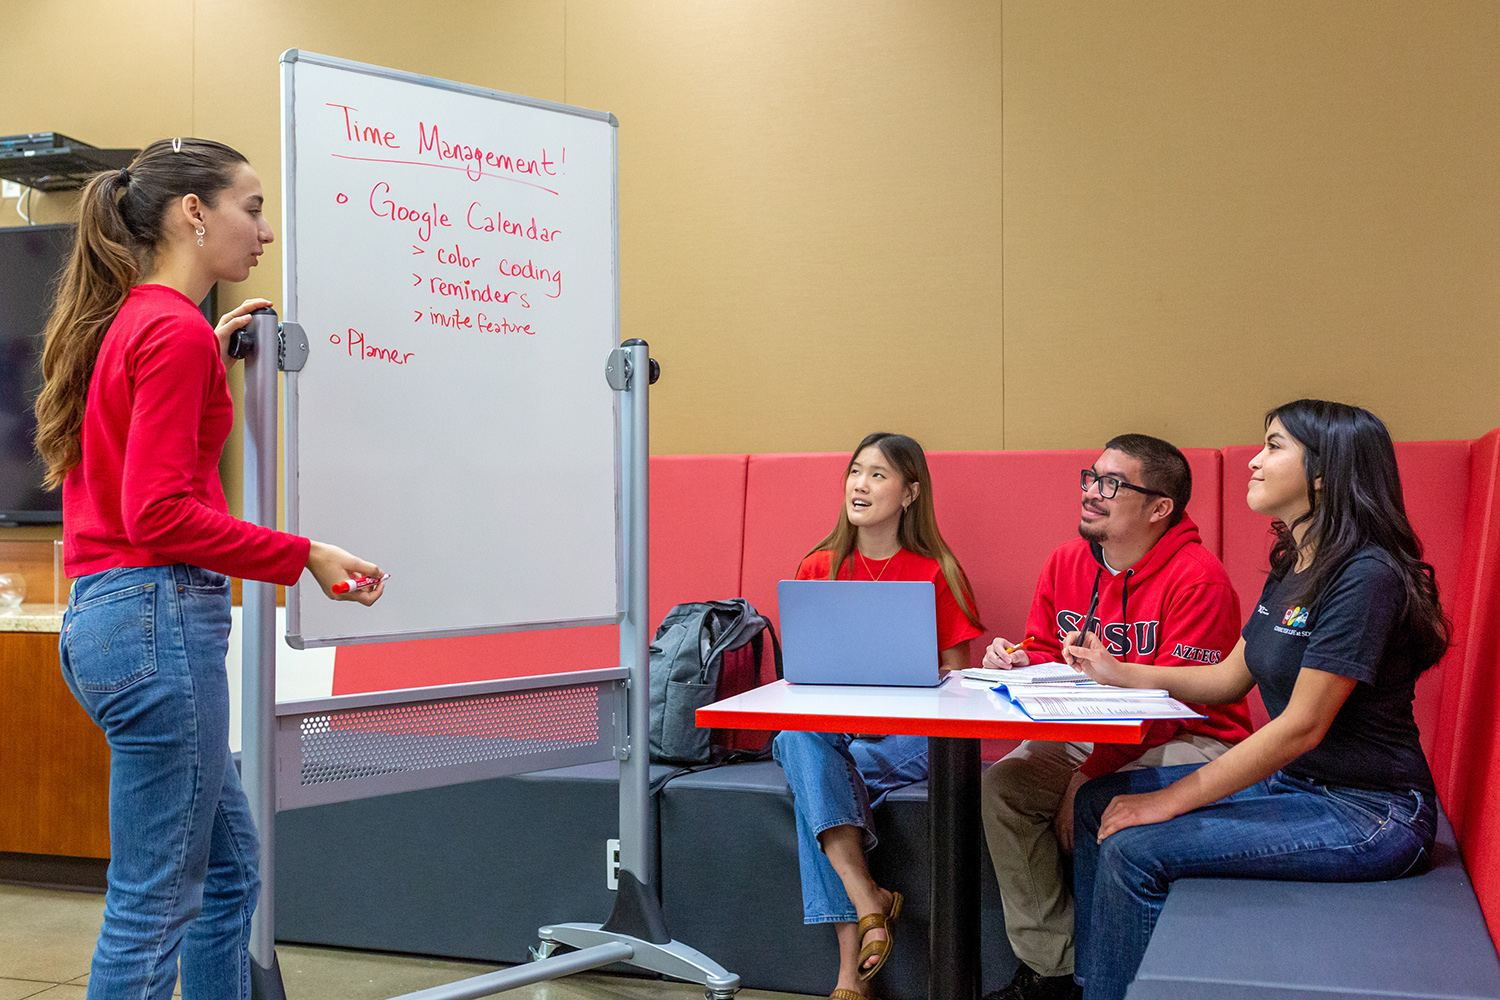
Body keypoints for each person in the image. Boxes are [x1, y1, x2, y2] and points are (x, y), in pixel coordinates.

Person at [33, 138, 386, 1000]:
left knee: (228, 873)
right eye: (251, 207)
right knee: (154, 902)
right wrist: (302, 555)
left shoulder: (140, 325)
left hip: (112, 621)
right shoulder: (169, 334)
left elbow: (139, 480)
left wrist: (210, 348)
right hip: (156, 620)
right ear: (195, 212)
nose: (262, 232)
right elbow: (157, 514)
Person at [1067, 401, 1447, 1000]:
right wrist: (1121, 673)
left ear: (1324, 471)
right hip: (1302, 787)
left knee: (1135, 851)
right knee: (1096, 804)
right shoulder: (1296, 562)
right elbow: (1227, 678)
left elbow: (1301, 727)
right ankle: (1093, 984)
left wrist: (1169, 800)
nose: (1254, 460)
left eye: (1273, 446)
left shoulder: (1366, 576)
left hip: (1371, 812)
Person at [978, 434, 1253, 1000]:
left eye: (1112, 485)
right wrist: (1023, 658)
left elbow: (1176, 707)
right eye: (1091, 478)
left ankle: (1107, 980)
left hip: (1195, 737)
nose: (1092, 493)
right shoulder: (1066, 561)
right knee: (1004, 786)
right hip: (1091, 730)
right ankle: (1052, 970)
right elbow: (1054, 651)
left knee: (1104, 799)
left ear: (1159, 508)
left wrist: (1086, 777)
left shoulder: (1199, 579)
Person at [771, 432, 984, 1000]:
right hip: (838, 730)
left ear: (911, 492)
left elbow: (957, 683)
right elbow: (802, 674)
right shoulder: (819, 565)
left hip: (916, 735)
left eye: (879, 475)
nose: (860, 485)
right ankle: (870, 901)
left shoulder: (936, 570)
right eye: (855, 472)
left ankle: (851, 968)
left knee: (819, 782)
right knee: (799, 739)